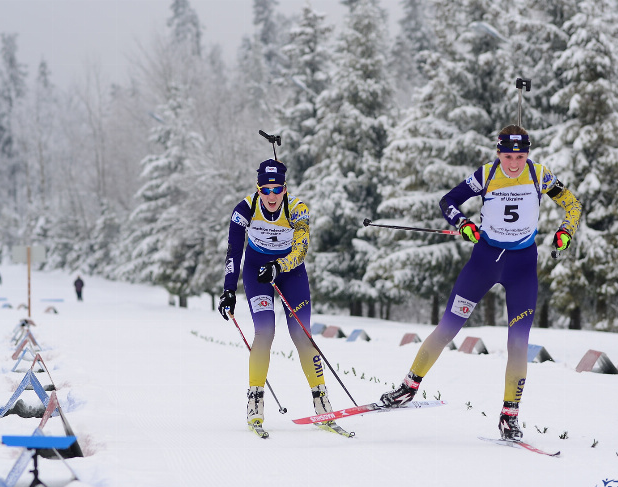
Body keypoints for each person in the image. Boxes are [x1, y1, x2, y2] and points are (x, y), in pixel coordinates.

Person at [379, 125, 581, 441]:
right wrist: (463, 224)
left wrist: (566, 231)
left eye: (520, 156)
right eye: (507, 156)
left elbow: (573, 204)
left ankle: (509, 416)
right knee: (448, 327)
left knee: (518, 343)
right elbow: (448, 201)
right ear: (498, 153)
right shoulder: (486, 174)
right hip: (484, 263)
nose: (514, 163)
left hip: (522, 268)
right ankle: (408, 388)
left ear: (527, 154)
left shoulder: (539, 175)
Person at [218, 159, 344, 437]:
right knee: (265, 331)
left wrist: (279, 267)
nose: (272, 196)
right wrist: (228, 289)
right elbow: (233, 250)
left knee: (301, 334)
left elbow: (300, 248)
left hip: (290, 273)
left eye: (277, 189)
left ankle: (321, 399)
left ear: (285, 189)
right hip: (255, 272)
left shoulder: (298, 208)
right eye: (266, 190)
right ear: (258, 189)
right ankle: (255, 400)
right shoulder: (244, 209)